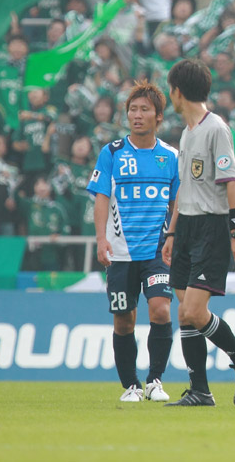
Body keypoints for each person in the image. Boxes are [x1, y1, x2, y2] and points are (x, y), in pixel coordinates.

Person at [162, 59, 235, 407]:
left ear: (177, 91)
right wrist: (172, 234)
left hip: (212, 226)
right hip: (187, 226)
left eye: (169, 89)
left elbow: (232, 183)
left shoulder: (216, 128)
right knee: (184, 311)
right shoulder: (187, 134)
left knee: (193, 311)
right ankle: (201, 391)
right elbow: (184, 189)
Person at [86, 81, 179, 403]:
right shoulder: (111, 153)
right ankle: (132, 386)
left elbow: (178, 201)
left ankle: (155, 380)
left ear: (159, 117)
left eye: (145, 110)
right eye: (133, 110)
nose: (137, 115)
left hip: (156, 249)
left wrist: (173, 236)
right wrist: (100, 239)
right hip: (121, 251)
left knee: (161, 310)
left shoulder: (170, 156)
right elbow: (100, 197)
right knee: (124, 320)